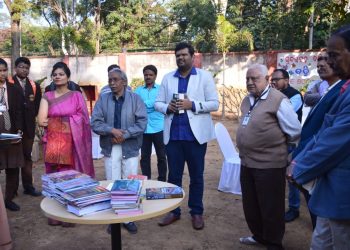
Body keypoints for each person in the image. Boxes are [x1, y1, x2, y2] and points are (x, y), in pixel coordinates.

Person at [290, 25, 350, 249]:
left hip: (343, 194)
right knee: (320, 242)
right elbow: (324, 131)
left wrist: (299, 168)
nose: (330, 62)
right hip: (332, 189)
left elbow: (334, 140)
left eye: (333, 56)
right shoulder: (342, 88)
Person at [155, 42, 219, 230]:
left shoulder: (204, 77)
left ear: (192, 56)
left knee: (196, 176)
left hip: (195, 138)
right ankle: (173, 211)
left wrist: (193, 105)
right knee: (173, 176)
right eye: (178, 55)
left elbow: (214, 104)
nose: (181, 58)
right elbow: (158, 103)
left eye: (184, 55)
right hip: (173, 137)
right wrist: (168, 107)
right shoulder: (168, 78)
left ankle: (196, 212)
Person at [236, 64, 301, 249]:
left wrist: (283, 152)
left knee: (271, 208)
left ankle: (273, 243)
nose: (250, 82)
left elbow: (295, 131)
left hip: (270, 166)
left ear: (266, 79)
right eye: (247, 79)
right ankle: (259, 236)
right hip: (247, 163)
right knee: (251, 206)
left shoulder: (278, 100)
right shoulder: (247, 100)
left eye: (254, 79)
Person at [91, 67, 147, 234]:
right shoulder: (103, 99)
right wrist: (112, 131)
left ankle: (128, 218)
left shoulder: (135, 99)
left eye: (115, 80)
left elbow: (142, 122)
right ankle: (115, 219)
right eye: (110, 80)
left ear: (124, 81)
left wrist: (126, 134)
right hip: (110, 146)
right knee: (112, 182)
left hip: (129, 147)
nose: (112, 83)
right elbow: (95, 122)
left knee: (128, 182)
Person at [38, 62, 94, 226]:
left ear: (67, 76)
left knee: (71, 177)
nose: (57, 76)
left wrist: (57, 121)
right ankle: (56, 215)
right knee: (55, 177)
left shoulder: (76, 95)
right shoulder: (47, 96)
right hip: (54, 143)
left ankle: (71, 213)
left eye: (61, 74)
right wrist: (65, 121)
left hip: (74, 143)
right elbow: (42, 120)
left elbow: (84, 119)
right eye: (55, 74)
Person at [271, 68, 304, 223]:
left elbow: (283, 113)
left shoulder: (295, 95)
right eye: (272, 80)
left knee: (292, 177)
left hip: (291, 143)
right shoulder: (272, 95)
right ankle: (276, 206)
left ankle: (294, 208)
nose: (274, 82)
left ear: (286, 80)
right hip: (276, 142)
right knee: (276, 176)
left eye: (277, 79)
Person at [8, 57, 42, 197]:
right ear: (15, 68)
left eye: (27, 67)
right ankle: (12, 191)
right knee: (14, 159)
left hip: (28, 128)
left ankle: (28, 187)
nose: (24, 70)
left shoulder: (34, 86)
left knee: (27, 158)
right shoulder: (8, 84)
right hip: (12, 128)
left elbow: (38, 106)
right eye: (21, 67)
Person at [134, 65, 167, 181]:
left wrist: (145, 104)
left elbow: (160, 105)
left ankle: (162, 180)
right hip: (144, 128)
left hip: (159, 128)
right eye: (146, 75)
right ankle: (146, 181)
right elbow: (136, 106)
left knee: (162, 156)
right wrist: (153, 104)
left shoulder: (160, 90)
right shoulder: (138, 91)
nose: (148, 77)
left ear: (155, 76)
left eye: (150, 75)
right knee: (144, 157)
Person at [0, 58, 24, 212]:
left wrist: (19, 129)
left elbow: (19, 111)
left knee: (13, 166)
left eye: (4, 70)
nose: (2, 74)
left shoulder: (14, 89)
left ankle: (8, 199)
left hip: (11, 130)